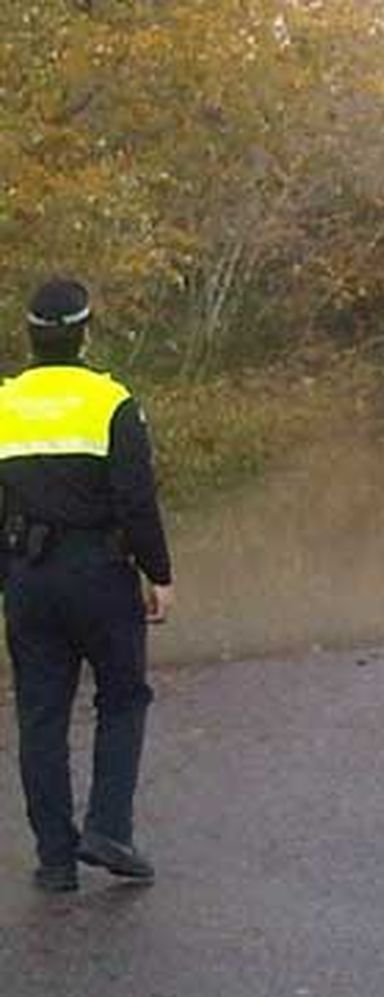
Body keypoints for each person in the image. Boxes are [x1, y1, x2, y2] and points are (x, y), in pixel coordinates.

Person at [1, 279, 174, 892]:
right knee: (123, 697)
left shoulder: (4, 401)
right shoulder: (112, 402)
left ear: (29, 334)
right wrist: (159, 573)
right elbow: (136, 499)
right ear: (84, 332)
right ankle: (108, 827)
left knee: (41, 715)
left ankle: (54, 859)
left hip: (27, 574)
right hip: (99, 572)